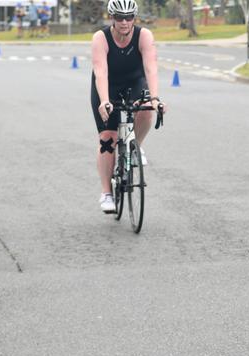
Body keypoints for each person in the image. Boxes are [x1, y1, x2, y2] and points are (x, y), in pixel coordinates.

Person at [91, 0, 163, 213]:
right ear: (112, 17)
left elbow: (151, 69)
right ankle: (106, 193)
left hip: (134, 83)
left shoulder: (144, 36)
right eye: (120, 17)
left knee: (147, 107)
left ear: (134, 17)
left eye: (129, 17)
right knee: (107, 138)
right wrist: (104, 100)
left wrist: (156, 98)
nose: (124, 22)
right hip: (107, 87)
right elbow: (100, 72)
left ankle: (135, 146)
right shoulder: (100, 38)